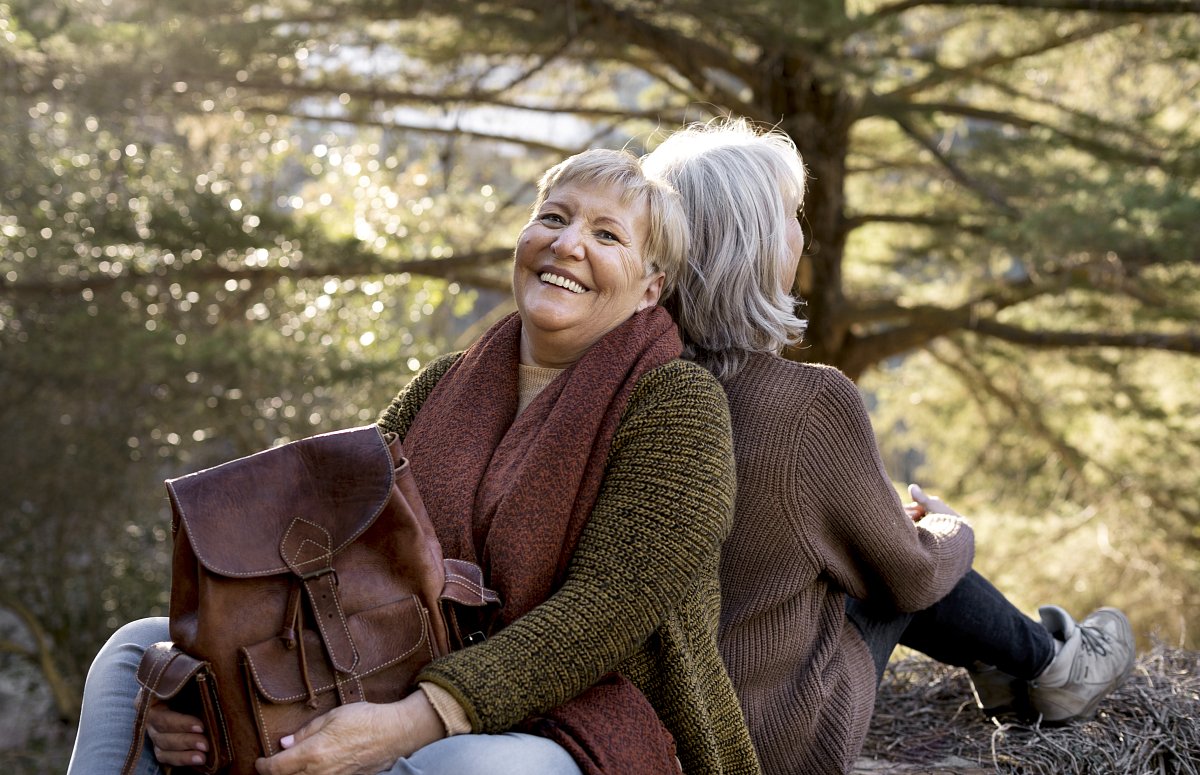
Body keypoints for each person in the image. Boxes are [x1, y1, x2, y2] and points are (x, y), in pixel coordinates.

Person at [67, 149, 761, 775]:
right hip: (401, 661)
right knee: (136, 655)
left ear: (649, 286)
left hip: (591, 715)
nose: (568, 243)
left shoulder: (676, 402)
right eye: (553, 216)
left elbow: (609, 608)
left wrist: (409, 722)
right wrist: (201, 685)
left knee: (465, 767)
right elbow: (340, 549)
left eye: (607, 235)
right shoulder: (443, 383)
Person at [641, 119, 1137, 775]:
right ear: (758, 245)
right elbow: (910, 575)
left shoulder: (630, 384)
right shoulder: (810, 402)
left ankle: (1021, 662)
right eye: (791, 215)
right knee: (899, 555)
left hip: (652, 730)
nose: (803, 233)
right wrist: (950, 526)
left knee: (869, 540)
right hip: (767, 743)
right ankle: (1053, 665)